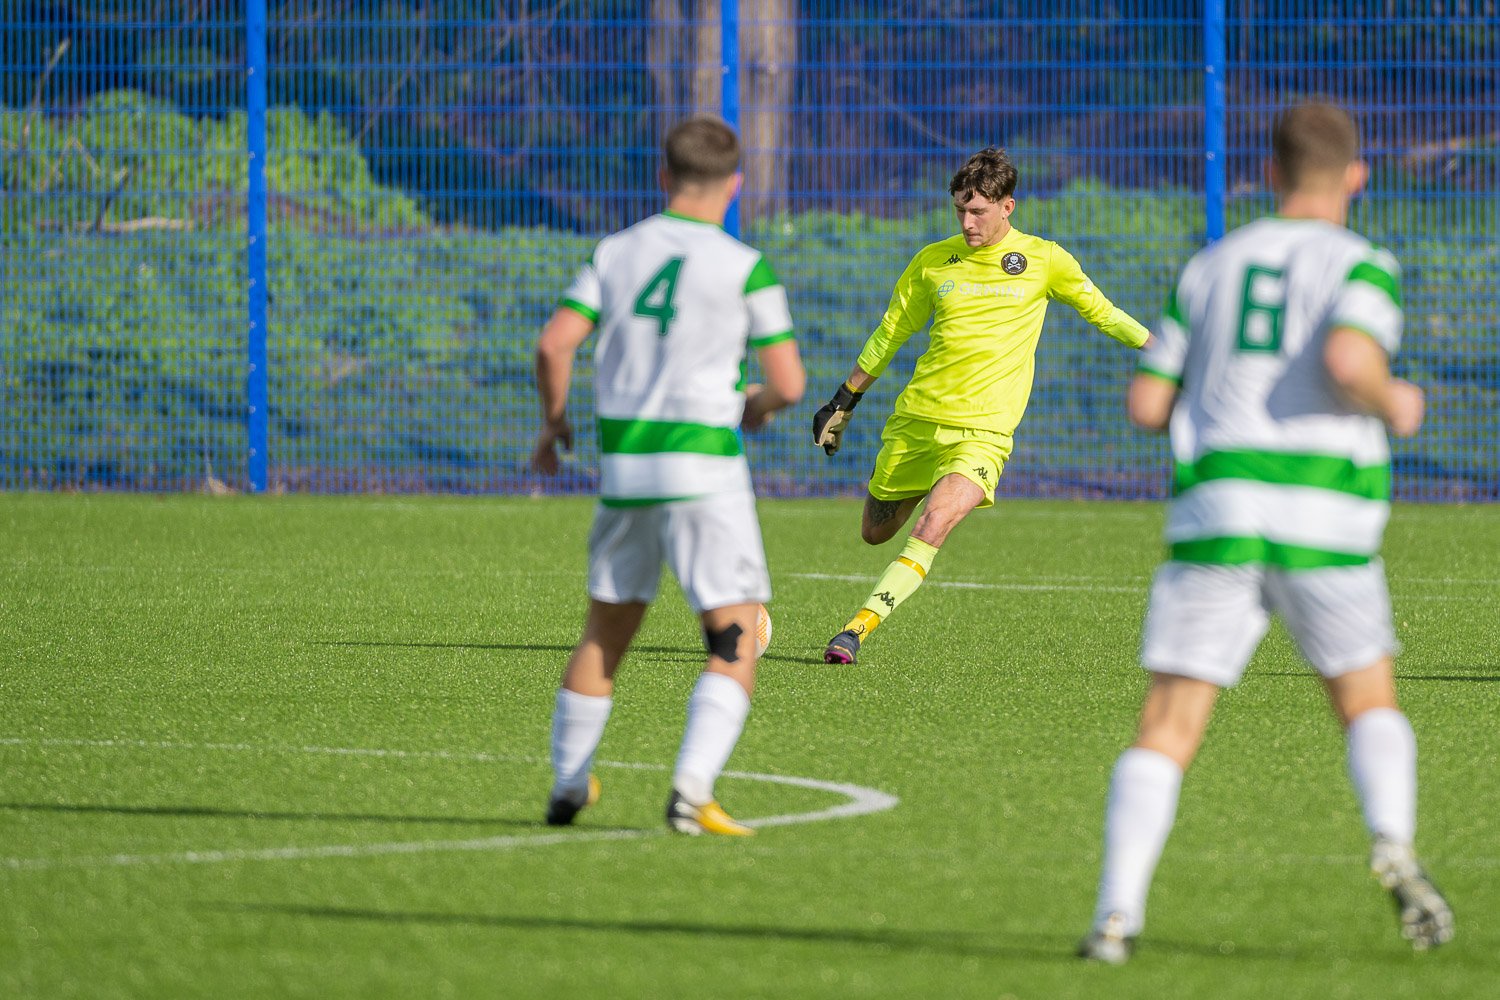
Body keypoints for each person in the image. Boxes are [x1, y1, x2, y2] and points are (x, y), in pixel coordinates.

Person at [1078, 101, 1453, 963]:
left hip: (1218, 514)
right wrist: (1396, 401)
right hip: (1323, 517)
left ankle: (1115, 916)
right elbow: (1351, 361)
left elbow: (1146, 404)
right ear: (1355, 175)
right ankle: (1391, 842)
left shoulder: (1212, 264)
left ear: (1272, 172)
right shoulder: (1363, 264)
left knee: (1167, 725)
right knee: (1366, 700)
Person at [531, 116, 805, 836]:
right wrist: (755, 408)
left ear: (664, 177)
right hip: (705, 470)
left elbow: (555, 343)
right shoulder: (745, 264)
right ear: (735, 184)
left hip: (626, 467)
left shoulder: (616, 253)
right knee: (735, 635)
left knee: (604, 633)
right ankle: (690, 789)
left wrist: (555, 425)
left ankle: (567, 784)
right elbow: (790, 383)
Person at [811, 147, 1152, 664]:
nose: (967, 223)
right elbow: (891, 333)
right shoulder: (933, 261)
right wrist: (844, 399)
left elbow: (1104, 314)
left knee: (935, 523)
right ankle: (925, 480)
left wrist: (1166, 353)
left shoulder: (1045, 260)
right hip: (917, 422)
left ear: (1007, 206)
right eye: (960, 211)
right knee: (875, 533)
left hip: (983, 433)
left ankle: (856, 629)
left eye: (978, 212)